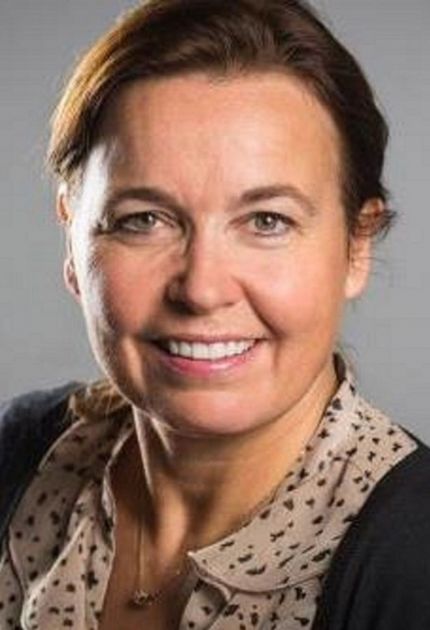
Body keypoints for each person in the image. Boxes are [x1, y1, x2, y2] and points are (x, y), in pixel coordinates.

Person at [1, 0, 430, 628]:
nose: (202, 289)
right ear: (72, 237)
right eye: (144, 220)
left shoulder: (413, 568)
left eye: (267, 221)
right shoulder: (21, 460)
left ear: (355, 246)